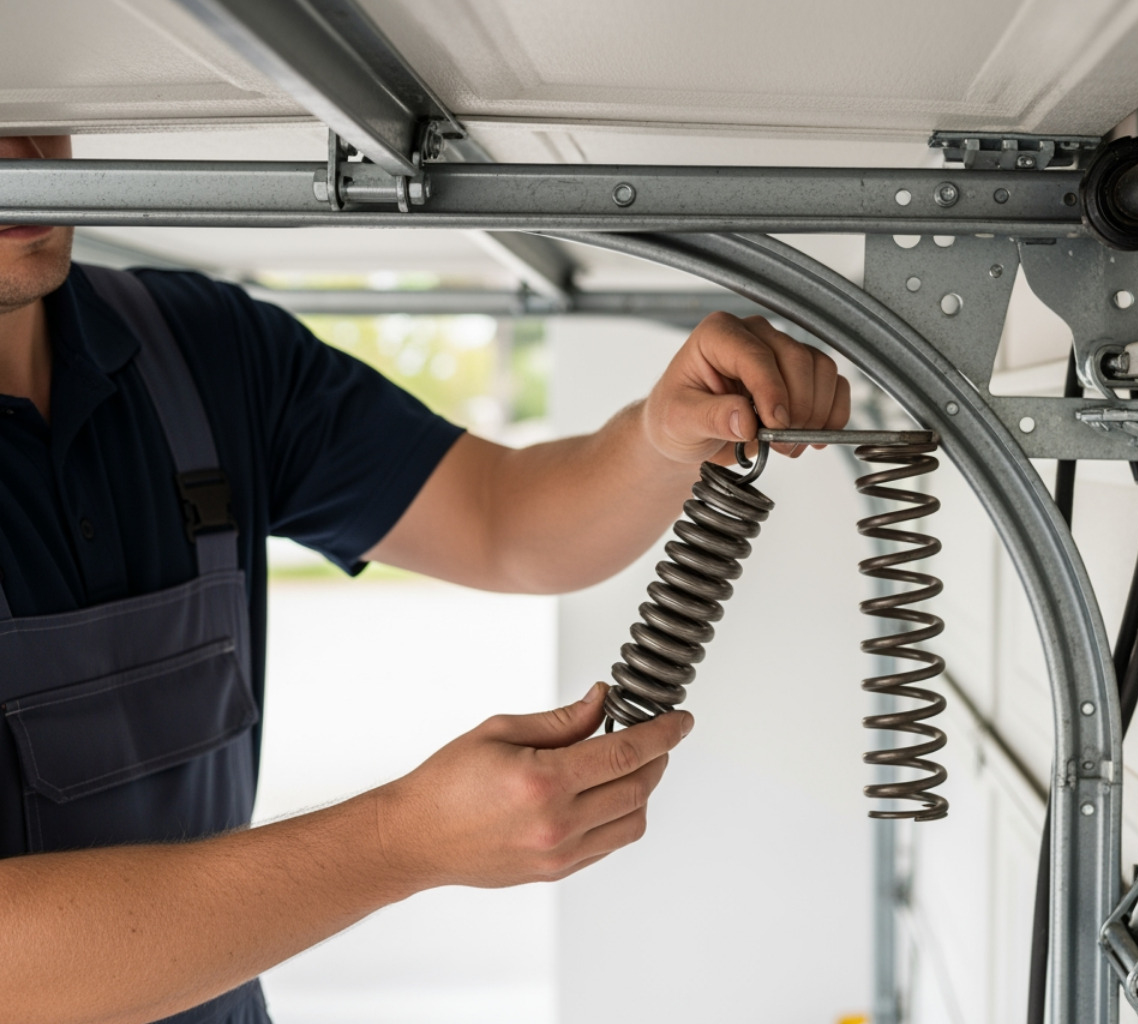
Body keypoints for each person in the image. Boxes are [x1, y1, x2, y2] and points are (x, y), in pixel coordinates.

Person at [0, 134, 851, 1024]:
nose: (17, 151)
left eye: (38, 96)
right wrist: (399, 842)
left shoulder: (195, 347)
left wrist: (660, 433)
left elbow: (501, 517)